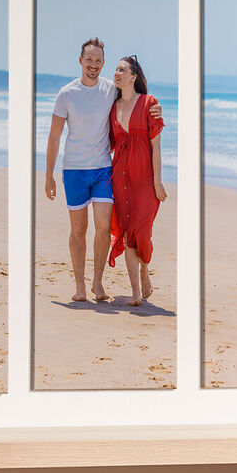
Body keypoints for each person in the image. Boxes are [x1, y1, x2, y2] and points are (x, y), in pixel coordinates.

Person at [44, 38, 160, 302]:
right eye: (89, 60)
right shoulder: (66, 94)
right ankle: (79, 285)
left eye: (98, 61)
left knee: (104, 226)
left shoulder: (111, 89)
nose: (93, 65)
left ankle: (97, 282)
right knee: (78, 230)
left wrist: (155, 107)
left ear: (103, 63)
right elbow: (53, 137)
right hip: (74, 170)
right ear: (80, 61)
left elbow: (137, 100)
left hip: (103, 170)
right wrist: (48, 175)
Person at [106, 55, 165, 305]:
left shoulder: (149, 103)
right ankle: (136, 293)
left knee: (142, 232)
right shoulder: (111, 107)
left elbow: (156, 146)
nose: (117, 73)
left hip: (145, 178)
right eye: (116, 70)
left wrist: (158, 181)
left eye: (122, 70)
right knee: (128, 231)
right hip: (119, 176)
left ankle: (144, 269)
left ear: (133, 76)